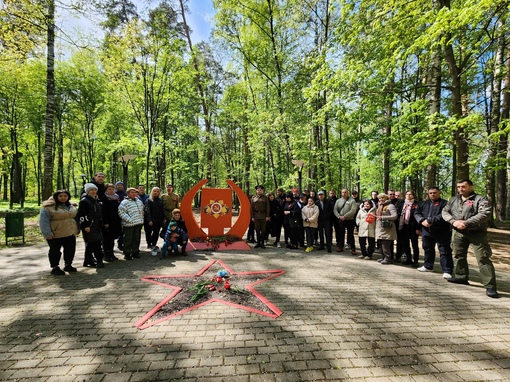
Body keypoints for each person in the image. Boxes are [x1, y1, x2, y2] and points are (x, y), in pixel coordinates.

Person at [442, 179, 498, 298]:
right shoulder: (453, 200)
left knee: (483, 258)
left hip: (477, 232)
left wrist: (466, 223)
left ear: (471, 187)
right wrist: (453, 222)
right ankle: (461, 277)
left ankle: (490, 286)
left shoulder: (480, 199)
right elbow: (445, 212)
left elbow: (485, 214)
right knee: (458, 255)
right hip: (457, 232)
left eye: (463, 187)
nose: (460, 189)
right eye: (458, 187)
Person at [415, 187, 453, 279]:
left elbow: (444, 215)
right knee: (427, 248)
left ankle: (447, 270)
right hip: (426, 231)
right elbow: (417, 213)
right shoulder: (423, 203)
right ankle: (428, 265)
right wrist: (422, 221)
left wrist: (431, 221)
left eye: (435, 193)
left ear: (439, 193)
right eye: (430, 193)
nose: (432, 194)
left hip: (441, 231)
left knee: (444, 250)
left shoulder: (445, 203)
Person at [39, 189, 79, 275]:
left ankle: (68, 265)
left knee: (70, 249)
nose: (63, 198)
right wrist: (47, 233)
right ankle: (55, 267)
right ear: (56, 197)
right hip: (56, 233)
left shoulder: (71, 206)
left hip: (70, 232)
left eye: (65, 196)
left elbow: (75, 217)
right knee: (55, 251)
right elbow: (43, 221)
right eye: (60, 196)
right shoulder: (48, 207)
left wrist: (77, 229)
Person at [77, 183, 104, 268]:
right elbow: (81, 215)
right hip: (89, 226)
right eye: (91, 190)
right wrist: (85, 226)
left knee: (93, 243)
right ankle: (98, 260)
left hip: (97, 225)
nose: (94, 191)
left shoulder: (96, 200)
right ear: (87, 191)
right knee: (95, 244)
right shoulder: (84, 201)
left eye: (95, 190)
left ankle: (88, 260)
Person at [118, 187, 144, 260]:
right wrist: (129, 219)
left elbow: (142, 209)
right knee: (128, 239)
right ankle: (127, 253)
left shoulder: (139, 201)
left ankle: (135, 252)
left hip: (138, 223)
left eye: (135, 192)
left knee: (136, 238)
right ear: (128, 194)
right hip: (129, 224)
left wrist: (142, 215)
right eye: (132, 192)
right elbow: (121, 213)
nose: (134, 194)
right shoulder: (124, 202)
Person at [397, 190, 420, 267]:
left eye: (410, 194)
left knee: (414, 244)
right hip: (403, 226)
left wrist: (418, 228)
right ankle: (408, 258)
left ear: (413, 195)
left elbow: (418, 217)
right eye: (407, 194)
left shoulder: (417, 204)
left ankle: (416, 260)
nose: (409, 196)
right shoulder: (402, 203)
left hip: (413, 226)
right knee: (405, 243)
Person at [100, 183, 122, 262]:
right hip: (107, 222)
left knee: (112, 239)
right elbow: (103, 212)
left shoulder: (116, 198)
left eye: (112, 189)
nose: (111, 191)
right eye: (109, 189)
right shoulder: (104, 198)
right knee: (106, 239)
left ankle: (111, 253)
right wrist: (105, 222)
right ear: (106, 190)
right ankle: (106, 255)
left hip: (115, 221)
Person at [333, 189, 358, 254]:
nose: (344, 193)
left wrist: (345, 216)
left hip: (349, 220)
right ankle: (341, 246)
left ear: (348, 193)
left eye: (345, 192)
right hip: (341, 220)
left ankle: (353, 248)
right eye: (343, 192)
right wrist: (339, 216)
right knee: (341, 234)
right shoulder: (338, 201)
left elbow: (353, 210)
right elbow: (335, 209)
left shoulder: (352, 201)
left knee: (350, 234)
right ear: (341, 193)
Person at [375, 193, 397, 264]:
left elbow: (394, 216)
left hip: (387, 228)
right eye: (380, 198)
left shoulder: (390, 206)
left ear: (386, 198)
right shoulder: (379, 205)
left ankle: (388, 258)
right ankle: (383, 257)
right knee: (380, 244)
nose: (381, 199)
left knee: (385, 245)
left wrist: (383, 217)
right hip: (380, 228)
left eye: (383, 198)